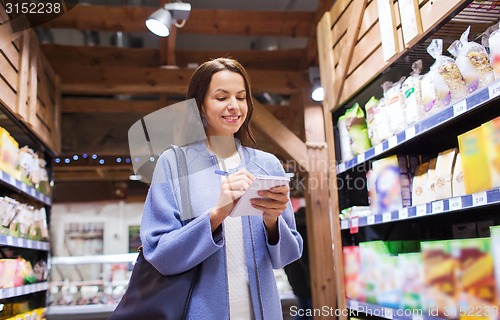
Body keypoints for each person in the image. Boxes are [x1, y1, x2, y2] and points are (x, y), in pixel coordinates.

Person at [140, 58, 303, 319]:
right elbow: (159, 253)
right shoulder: (174, 164)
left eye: (241, 97)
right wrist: (217, 214)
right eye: (221, 97)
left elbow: (287, 256)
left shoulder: (267, 164)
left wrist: (273, 222)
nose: (234, 106)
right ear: (199, 105)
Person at [283, 206, 312, 320]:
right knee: (309, 310)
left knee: (302, 309)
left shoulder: (291, 228)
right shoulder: (308, 229)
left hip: (296, 280)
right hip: (308, 280)